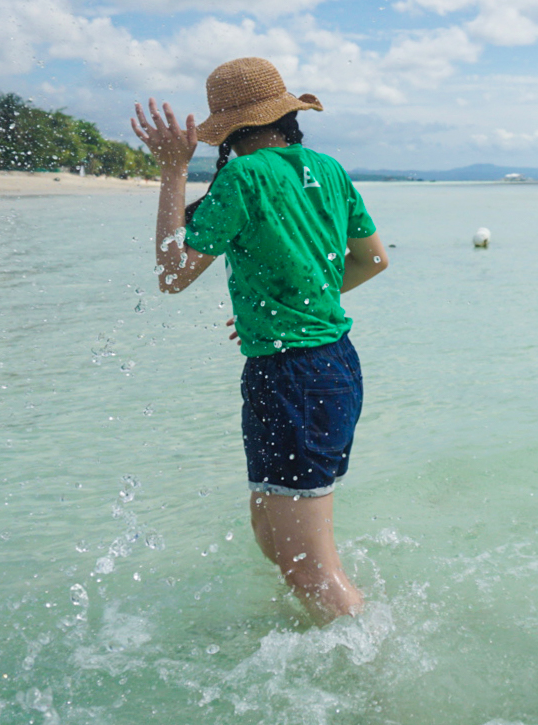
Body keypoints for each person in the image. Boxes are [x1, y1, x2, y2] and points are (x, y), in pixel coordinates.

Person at [131, 57, 388, 621]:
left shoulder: (242, 177)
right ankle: (313, 638)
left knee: (308, 569)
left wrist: (174, 171)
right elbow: (371, 260)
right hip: (332, 367)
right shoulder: (329, 169)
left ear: (228, 131)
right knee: (270, 530)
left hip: (294, 378)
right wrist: (298, 308)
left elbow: (173, 275)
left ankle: (375, 683)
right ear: (285, 117)